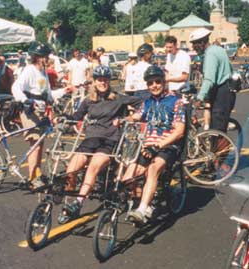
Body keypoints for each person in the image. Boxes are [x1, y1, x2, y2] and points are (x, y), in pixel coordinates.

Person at [56, 65, 142, 224]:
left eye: (105, 79)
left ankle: (78, 202)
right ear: (94, 81)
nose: (102, 82)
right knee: (71, 170)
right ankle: (68, 206)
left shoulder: (118, 98)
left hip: (109, 141)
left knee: (93, 166)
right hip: (90, 140)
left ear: (109, 81)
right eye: (99, 79)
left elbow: (142, 103)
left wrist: (130, 118)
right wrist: (62, 118)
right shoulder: (89, 100)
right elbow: (76, 116)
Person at [122, 66, 186, 223]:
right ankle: (144, 200)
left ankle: (143, 209)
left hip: (168, 147)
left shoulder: (175, 101)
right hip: (148, 147)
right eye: (150, 83)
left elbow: (179, 131)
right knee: (128, 177)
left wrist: (158, 145)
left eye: (157, 81)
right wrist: (122, 120)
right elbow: (137, 116)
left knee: (153, 169)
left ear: (164, 82)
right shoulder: (148, 102)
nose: (154, 85)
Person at [12, 41, 71, 188]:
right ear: (38, 57)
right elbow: (16, 87)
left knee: (40, 143)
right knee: (36, 143)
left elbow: (48, 94)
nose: (48, 58)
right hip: (30, 110)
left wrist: (64, 91)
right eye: (45, 56)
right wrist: (25, 100)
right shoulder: (29, 70)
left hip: (40, 109)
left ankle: (36, 173)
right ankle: (32, 178)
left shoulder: (43, 71)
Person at [189, 28, 234, 133]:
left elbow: (209, 79)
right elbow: (229, 69)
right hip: (227, 90)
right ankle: (220, 148)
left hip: (221, 93)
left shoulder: (210, 54)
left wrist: (199, 99)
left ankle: (219, 148)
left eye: (195, 44)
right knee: (220, 126)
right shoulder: (218, 49)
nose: (193, 47)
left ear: (202, 42)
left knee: (217, 130)